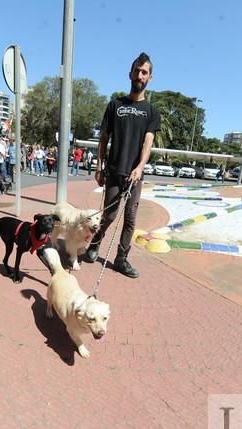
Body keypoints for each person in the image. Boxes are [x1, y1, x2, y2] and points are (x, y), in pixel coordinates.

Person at [84, 52, 161, 278]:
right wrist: (99, 166)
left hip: (135, 175)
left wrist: (139, 167)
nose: (140, 75)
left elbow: (148, 142)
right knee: (108, 215)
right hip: (114, 171)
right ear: (130, 74)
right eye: (137, 70)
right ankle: (95, 243)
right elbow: (104, 138)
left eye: (144, 72)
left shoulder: (152, 111)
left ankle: (121, 259)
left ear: (150, 78)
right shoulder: (115, 105)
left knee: (130, 220)